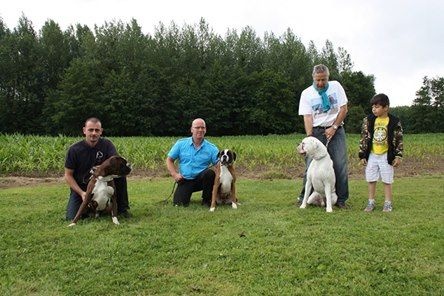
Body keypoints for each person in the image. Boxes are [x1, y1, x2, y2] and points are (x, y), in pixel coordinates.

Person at [297, 64, 349, 208]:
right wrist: (309, 137)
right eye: (318, 80)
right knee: (310, 166)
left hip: (336, 129)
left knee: (339, 164)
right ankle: (304, 197)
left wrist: (334, 127)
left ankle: (341, 200)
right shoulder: (306, 93)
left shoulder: (336, 86)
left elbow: (344, 109)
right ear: (313, 77)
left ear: (328, 77)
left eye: (323, 80)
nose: (320, 83)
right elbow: (307, 117)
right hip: (316, 131)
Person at [64, 117, 130, 220]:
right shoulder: (74, 150)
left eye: (97, 130)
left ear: (101, 131)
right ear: (84, 130)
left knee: (121, 175)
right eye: (90, 130)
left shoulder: (107, 145)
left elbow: (117, 163)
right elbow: (68, 175)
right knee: (71, 217)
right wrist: (82, 193)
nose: (94, 133)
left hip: (102, 183)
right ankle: (93, 207)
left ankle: (122, 209)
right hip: (83, 187)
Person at [359, 93, 403, 212]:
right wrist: (362, 155)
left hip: (386, 155)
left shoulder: (394, 121)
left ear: (386, 107)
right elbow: (363, 138)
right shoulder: (368, 120)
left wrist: (398, 156)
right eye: (373, 107)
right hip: (372, 154)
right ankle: (371, 202)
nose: (374, 109)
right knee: (371, 179)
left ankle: (388, 203)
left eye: (377, 107)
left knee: (387, 179)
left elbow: (399, 139)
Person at [166, 118, 219, 207]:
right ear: (191, 129)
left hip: (202, 181)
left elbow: (219, 165)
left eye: (203, 127)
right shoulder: (181, 144)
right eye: (197, 127)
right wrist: (175, 174)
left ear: (205, 130)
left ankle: (206, 200)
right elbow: (169, 160)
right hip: (185, 180)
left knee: (209, 173)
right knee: (179, 204)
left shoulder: (212, 148)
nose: (200, 130)